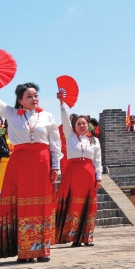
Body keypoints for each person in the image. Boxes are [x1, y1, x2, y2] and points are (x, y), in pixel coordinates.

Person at [0, 71, 62, 262]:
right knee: (20, 203)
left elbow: (55, 143)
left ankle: (42, 250)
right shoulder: (10, 113)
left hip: (42, 162)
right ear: (20, 100)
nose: (34, 99)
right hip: (20, 163)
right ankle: (24, 250)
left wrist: (56, 166)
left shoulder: (47, 116)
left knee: (42, 204)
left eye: (36, 95)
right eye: (29, 96)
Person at [55, 103, 102, 247]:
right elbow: (65, 118)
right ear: (73, 126)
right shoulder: (70, 136)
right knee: (73, 204)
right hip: (73, 174)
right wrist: (62, 104)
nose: (81, 126)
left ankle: (87, 237)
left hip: (88, 174)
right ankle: (74, 237)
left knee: (88, 205)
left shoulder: (94, 141)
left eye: (84, 123)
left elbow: (97, 160)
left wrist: (99, 177)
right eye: (78, 124)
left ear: (88, 125)